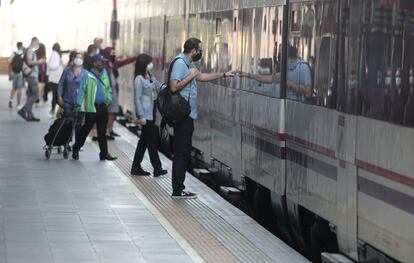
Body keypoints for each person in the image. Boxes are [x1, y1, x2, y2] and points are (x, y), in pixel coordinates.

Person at [169, 38, 233, 199]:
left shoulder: (189, 63)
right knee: (181, 152)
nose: (201, 53)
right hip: (182, 115)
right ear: (193, 51)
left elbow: (201, 77)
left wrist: (224, 74)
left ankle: (179, 188)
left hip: (188, 115)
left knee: (184, 151)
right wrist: (190, 77)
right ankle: (178, 189)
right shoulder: (180, 63)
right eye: (199, 50)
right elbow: (173, 86)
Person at [71, 54, 117, 161]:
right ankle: (76, 148)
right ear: (95, 63)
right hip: (92, 108)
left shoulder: (105, 74)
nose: (103, 64)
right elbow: (81, 91)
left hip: (103, 107)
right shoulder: (87, 75)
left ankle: (104, 154)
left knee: (102, 132)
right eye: (101, 62)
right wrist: (77, 105)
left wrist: (108, 100)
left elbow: (109, 89)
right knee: (85, 130)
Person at [130, 54, 167, 177]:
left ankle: (135, 167)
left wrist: (172, 86)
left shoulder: (149, 76)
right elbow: (137, 98)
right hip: (145, 115)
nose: (152, 64)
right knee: (152, 141)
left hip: (152, 113)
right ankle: (157, 168)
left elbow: (158, 86)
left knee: (144, 142)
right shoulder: (139, 79)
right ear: (144, 64)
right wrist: (141, 115)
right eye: (149, 62)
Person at [101, 47, 137, 139]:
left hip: (113, 91)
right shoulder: (104, 65)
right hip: (107, 93)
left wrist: (135, 58)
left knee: (112, 112)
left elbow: (124, 62)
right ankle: (105, 132)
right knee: (108, 113)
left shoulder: (111, 64)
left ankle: (109, 131)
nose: (114, 55)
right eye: (112, 53)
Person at [57, 51, 86, 140]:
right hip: (67, 101)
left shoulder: (85, 73)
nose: (78, 59)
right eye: (77, 57)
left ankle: (77, 144)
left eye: (80, 58)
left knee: (78, 123)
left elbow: (88, 89)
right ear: (73, 59)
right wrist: (59, 96)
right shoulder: (67, 71)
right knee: (68, 122)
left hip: (80, 102)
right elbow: (61, 83)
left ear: (83, 60)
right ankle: (67, 141)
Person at [18, 37, 46, 122]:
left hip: (29, 75)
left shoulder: (29, 50)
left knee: (30, 95)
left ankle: (30, 115)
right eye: (37, 42)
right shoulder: (30, 50)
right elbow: (29, 62)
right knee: (36, 94)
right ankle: (24, 109)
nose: (38, 44)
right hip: (31, 75)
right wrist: (39, 62)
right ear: (33, 41)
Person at [46, 43, 64, 115]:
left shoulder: (53, 55)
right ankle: (55, 110)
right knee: (57, 95)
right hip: (56, 79)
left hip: (53, 78)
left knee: (55, 95)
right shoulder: (55, 55)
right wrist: (59, 63)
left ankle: (53, 109)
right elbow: (53, 66)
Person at [8, 41, 25, 109]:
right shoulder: (23, 54)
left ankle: (11, 100)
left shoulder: (13, 54)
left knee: (14, 88)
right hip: (20, 73)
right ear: (22, 46)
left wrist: (9, 74)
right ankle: (18, 105)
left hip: (14, 73)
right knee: (19, 89)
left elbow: (9, 64)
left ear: (17, 46)